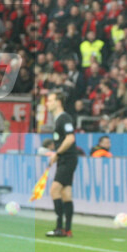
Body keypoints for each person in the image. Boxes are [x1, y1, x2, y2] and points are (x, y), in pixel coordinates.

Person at [44, 91, 76, 237]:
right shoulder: (58, 119)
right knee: (65, 193)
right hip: (66, 159)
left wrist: (56, 154)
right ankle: (67, 229)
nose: (47, 103)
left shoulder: (64, 118)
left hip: (67, 159)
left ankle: (59, 228)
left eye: (50, 101)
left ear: (58, 102)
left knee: (54, 191)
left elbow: (70, 139)